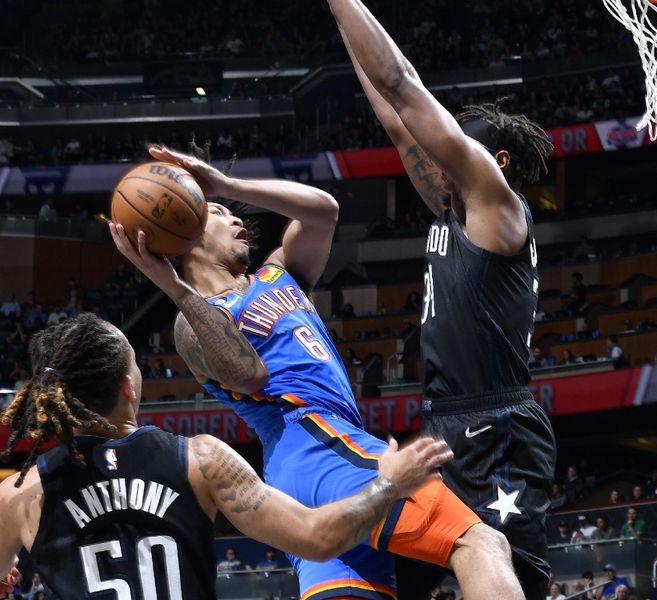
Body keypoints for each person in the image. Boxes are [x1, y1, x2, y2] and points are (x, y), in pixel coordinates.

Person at [111, 146, 524, 600]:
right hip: (316, 445)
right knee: (480, 542)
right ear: (185, 231)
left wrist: (226, 185)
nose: (235, 219)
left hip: (318, 461)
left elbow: (325, 212)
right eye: (216, 213)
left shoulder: (276, 273)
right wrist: (172, 284)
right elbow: (249, 375)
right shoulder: (193, 321)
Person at [325, 1, 556, 598]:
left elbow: (403, 84)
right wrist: (341, 23)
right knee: (405, 577)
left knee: (510, 578)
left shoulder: (496, 205)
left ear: (494, 162)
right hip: (444, 425)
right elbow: (394, 112)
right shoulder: (452, 209)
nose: (437, 147)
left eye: (455, 141)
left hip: (498, 424)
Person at [0, 315, 452, 600]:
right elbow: (318, 537)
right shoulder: (200, 460)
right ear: (128, 386)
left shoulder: (21, 495)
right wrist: (389, 482)